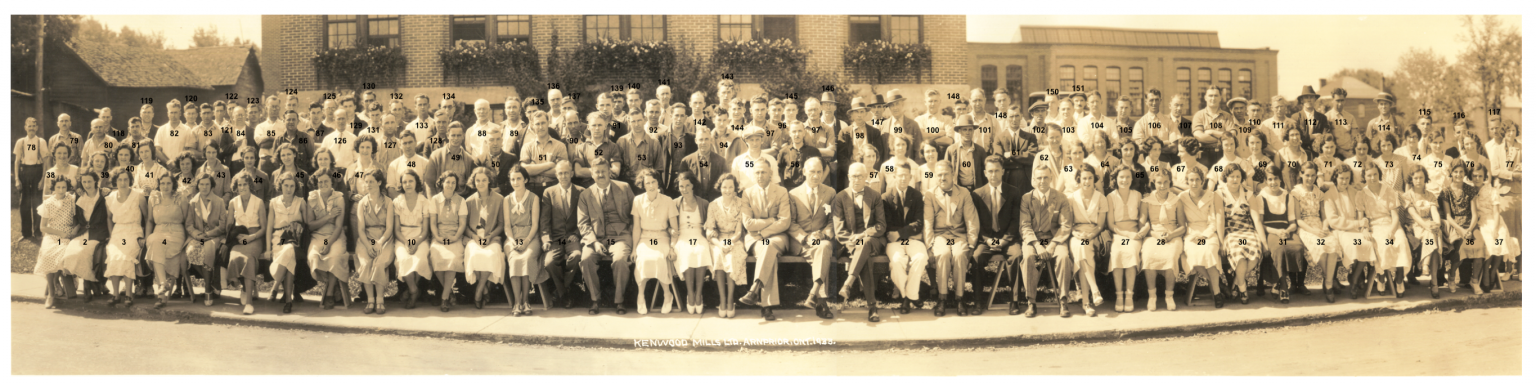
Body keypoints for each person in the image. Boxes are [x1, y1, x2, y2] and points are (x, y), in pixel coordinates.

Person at [576, 156, 635, 315]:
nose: (601, 175)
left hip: (620, 236)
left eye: (604, 171)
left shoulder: (624, 188)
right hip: (596, 238)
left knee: (620, 260)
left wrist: (631, 235)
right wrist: (594, 243)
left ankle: (619, 300)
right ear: (592, 174)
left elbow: (634, 215)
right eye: (597, 172)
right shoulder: (585, 195)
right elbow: (583, 223)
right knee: (586, 259)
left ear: (610, 172)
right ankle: (595, 299)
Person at [1016, 163, 1075, 317]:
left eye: (1046, 178)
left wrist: (1052, 245)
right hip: (1034, 239)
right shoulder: (1027, 198)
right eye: (1039, 178)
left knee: (1063, 257)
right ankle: (1031, 302)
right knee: (1028, 257)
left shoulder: (1061, 198)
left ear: (1051, 178)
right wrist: (1038, 246)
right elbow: (1025, 226)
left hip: (1054, 237)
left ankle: (1063, 300)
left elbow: (1065, 225)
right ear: (1034, 180)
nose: (1042, 181)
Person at [831, 162, 887, 322]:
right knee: (864, 256)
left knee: (865, 243)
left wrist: (863, 235)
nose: (856, 179)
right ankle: (872, 307)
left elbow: (881, 226)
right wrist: (852, 242)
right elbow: (839, 229)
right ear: (849, 177)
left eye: (860, 176)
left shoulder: (875, 196)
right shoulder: (840, 197)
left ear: (866, 178)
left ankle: (848, 282)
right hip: (850, 244)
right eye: (854, 176)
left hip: (873, 240)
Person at [735, 163, 792, 321]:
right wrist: (772, 220)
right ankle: (766, 306)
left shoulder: (781, 191)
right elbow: (748, 223)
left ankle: (755, 290)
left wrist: (763, 231)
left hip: (777, 237)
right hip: (755, 239)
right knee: (768, 252)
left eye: (763, 172)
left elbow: (785, 221)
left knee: (769, 248)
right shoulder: (747, 193)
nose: (760, 176)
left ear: (771, 173)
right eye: (757, 172)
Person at [971, 156, 1023, 314]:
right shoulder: (977, 194)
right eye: (990, 171)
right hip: (986, 240)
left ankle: (1014, 301)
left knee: (1016, 256)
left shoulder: (1013, 192)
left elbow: (1016, 221)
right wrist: (991, 242)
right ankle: (978, 301)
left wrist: (1004, 241)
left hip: (1008, 239)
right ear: (985, 173)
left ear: (1003, 172)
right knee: (977, 257)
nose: (993, 175)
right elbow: (976, 224)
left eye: (996, 171)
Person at [787, 158, 837, 318]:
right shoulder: (793, 194)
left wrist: (822, 234)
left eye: (819, 172)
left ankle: (815, 295)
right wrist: (806, 237)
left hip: (821, 240)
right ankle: (821, 301)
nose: (816, 176)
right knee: (824, 252)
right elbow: (791, 223)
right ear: (804, 172)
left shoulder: (830, 193)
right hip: (801, 242)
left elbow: (832, 221)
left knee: (823, 248)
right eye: (812, 172)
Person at [628, 168, 677, 315]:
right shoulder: (637, 200)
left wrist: (673, 248)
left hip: (662, 237)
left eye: (653, 182)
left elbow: (674, 229)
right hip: (645, 238)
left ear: (658, 182)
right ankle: (641, 295)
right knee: (642, 259)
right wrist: (634, 249)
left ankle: (667, 295)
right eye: (647, 183)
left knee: (658, 258)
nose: (651, 185)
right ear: (643, 184)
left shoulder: (668, 201)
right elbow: (636, 228)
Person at [1217, 166, 1267, 305]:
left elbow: (1256, 219)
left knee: (1254, 256)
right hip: (1231, 232)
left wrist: (1264, 242)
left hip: (1248, 231)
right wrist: (1221, 243)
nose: (1235, 179)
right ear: (1226, 177)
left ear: (1242, 178)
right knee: (1239, 255)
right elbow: (1220, 219)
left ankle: (1235, 283)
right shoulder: (1219, 193)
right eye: (1231, 176)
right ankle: (1243, 289)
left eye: (1238, 176)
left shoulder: (1248, 193)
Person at [1326, 166, 1374, 301]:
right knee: (1354, 245)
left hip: (1356, 229)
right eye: (1341, 178)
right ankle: (1354, 278)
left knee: (1368, 243)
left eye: (1347, 178)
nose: (1344, 181)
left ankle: (1354, 277)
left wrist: (1363, 228)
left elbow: (1361, 213)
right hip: (1340, 230)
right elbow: (1333, 221)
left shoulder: (1354, 192)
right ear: (1336, 178)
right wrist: (1357, 224)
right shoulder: (1329, 194)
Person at [540, 161, 584, 308]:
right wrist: (546, 239)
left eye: (566, 172)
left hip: (572, 237)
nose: (563, 176)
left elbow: (586, 218)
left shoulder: (581, 191)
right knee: (549, 262)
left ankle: (560, 292)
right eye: (560, 173)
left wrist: (577, 233)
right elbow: (545, 220)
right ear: (556, 175)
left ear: (571, 173)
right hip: (556, 238)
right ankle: (565, 292)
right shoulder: (549, 192)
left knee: (577, 255)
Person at [460, 166, 506, 309]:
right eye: (477, 180)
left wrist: (490, 236)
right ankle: (484, 288)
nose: (480, 183)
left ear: (489, 181)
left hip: (492, 237)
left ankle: (479, 290)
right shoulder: (468, 201)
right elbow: (465, 227)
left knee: (490, 254)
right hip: (474, 238)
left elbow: (501, 224)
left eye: (484, 180)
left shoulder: (499, 199)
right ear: (474, 182)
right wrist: (474, 237)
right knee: (475, 254)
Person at [1104, 165, 1148, 312]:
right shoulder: (1110, 197)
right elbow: (1111, 225)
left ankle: (1129, 295)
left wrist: (1142, 231)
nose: (1125, 180)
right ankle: (1119, 296)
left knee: (1130, 252)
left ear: (1132, 178)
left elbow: (1143, 219)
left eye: (1128, 177)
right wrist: (1127, 235)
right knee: (1116, 253)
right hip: (1118, 234)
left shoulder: (1138, 195)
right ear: (1116, 179)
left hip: (1135, 233)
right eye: (1121, 177)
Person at [1255, 165, 1301, 303]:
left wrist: (1287, 231)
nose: (1273, 182)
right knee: (1280, 248)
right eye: (1269, 179)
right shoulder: (1261, 197)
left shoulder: (1288, 196)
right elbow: (1260, 224)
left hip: (1286, 232)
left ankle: (1277, 282)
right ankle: (1284, 287)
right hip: (1270, 231)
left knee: (1297, 247)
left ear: (1280, 179)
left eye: (1275, 179)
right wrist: (1276, 231)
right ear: (1265, 181)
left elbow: (1293, 222)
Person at [1180, 167, 1224, 307]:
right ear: (1187, 181)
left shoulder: (1211, 195)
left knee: (1209, 251)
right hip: (1191, 233)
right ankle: (1219, 287)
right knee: (1194, 254)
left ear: (1202, 181)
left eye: (1197, 179)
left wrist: (1204, 236)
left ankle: (1217, 293)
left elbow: (1213, 221)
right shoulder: (1182, 197)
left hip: (1208, 232)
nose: (1194, 183)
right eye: (1191, 180)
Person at [704, 174, 747, 318]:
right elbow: (709, 229)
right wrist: (720, 244)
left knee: (732, 257)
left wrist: (729, 243)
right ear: (719, 188)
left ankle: (730, 300)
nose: (727, 190)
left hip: (735, 240)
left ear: (735, 188)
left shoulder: (741, 203)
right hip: (718, 240)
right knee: (718, 256)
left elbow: (739, 231)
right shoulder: (713, 205)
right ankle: (722, 299)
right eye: (724, 187)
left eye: (730, 187)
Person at [389, 168, 433, 311]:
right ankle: (414, 291)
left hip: (420, 238)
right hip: (402, 238)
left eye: (411, 181)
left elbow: (426, 230)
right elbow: (396, 230)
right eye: (405, 182)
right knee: (403, 258)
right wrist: (407, 242)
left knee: (420, 258)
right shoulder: (397, 201)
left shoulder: (424, 201)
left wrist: (415, 242)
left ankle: (411, 290)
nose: (408, 184)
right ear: (401, 184)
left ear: (416, 182)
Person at [502, 165, 543, 316]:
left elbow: (535, 225)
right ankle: (517, 303)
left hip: (530, 237)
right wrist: (513, 242)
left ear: (525, 179)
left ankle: (525, 301)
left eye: (519, 178)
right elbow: (507, 226)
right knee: (514, 259)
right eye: (512, 179)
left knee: (525, 258)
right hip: (513, 237)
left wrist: (525, 242)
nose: (515, 182)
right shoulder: (507, 200)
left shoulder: (533, 198)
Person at [103, 169, 147, 306]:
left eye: (125, 179)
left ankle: (128, 294)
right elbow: (109, 218)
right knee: (114, 256)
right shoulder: (110, 198)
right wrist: (111, 236)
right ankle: (115, 294)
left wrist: (145, 236)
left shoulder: (138, 196)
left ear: (130, 181)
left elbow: (147, 217)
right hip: (118, 232)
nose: (123, 183)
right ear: (115, 181)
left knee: (126, 256)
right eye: (120, 180)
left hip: (134, 231)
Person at [264, 171, 306, 314]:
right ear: (280, 186)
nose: (289, 189)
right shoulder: (273, 203)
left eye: (292, 186)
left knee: (289, 249)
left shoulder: (301, 202)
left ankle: (275, 285)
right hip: (278, 237)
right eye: (286, 186)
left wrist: (299, 227)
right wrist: (268, 249)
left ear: (296, 187)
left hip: (294, 238)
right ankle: (288, 301)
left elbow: (307, 225)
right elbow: (269, 227)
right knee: (289, 258)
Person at [145, 173, 189, 309]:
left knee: (157, 244)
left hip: (175, 234)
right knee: (155, 243)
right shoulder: (153, 198)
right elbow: (150, 220)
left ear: (173, 185)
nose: (165, 186)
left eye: (168, 183)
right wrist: (147, 238)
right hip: (158, 233)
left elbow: (187, 220)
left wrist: (187, 243)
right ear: (159, 184)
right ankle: (163, 288)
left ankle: (162, 292)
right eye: (163, 183)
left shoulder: (181, 198)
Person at [353, 169, 394, 314]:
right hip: (366, 239)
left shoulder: (388, 202)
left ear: (379, 182)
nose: (368, 185)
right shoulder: (362, 203)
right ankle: (370, 300)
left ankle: (380, 301)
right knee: (366, 263)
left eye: (371, 181)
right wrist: (369, 244)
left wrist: (380, 242)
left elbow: (389, 228)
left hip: (384, 239)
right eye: (366, 182)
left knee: (379, 262)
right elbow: (361, 229)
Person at [425, 170, 467, 311]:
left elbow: (462, 224)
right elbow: (432, 224)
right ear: (442, 183)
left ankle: (444, 298)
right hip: (439, 236)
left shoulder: (461, 201)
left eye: (453, 183)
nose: (450, 185)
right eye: (447, 182)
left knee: (453, 260)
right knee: (436, 259)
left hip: (455, 236)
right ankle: (449, 294)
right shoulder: (435, 200)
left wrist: (455, 237)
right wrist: (437, 237)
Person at [36, 177, 80, 309]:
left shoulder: (71, 201)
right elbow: (43, 227)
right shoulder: (48, 203)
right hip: (53, 234)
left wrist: (73, 231)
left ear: (67, 188)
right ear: (53, 188)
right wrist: (59, 233)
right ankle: (52, 293)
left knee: (61, 252)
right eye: (58, 187)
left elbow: (77, 220)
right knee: (48, 253)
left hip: (67, 234)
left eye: (64, 187)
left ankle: (54, 285)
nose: (61, 190)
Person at [1403, 168, 1444, 297]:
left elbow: (1434, 213)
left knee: (1433, 234)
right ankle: (1434, 282)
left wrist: (1436, 224)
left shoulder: (1430, 195)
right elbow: (1413, 215)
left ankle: (1425, 265)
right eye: (1415, 178)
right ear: (1411, 180)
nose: (1418, 181)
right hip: (1414, 227)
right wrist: (1428, 226)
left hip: (1429, 226)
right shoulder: (1407, 196)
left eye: (1421, 177)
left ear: (1425, 178)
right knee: (1432, 236)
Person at [1470, 164, 1508, 294]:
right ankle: (1486, 269)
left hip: (1495, 221)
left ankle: (1493, 270)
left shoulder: (1492, 191)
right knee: (1489, 243)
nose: (1477, 178)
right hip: (1481, 222)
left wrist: (1496, 229)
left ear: (1485, 177)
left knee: (1500, 241)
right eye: (1474, 175)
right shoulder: (1470, 191)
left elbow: (1496, 212)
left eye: (1480, 176)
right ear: (1471, 176)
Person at [16, 117, 49, 239]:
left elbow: (46, 161)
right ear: (25, 127)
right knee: (24, 203)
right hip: (24, 172)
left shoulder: (41, 141)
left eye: (33, 126)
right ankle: (26, 233)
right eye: (29, 126)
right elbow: (17, 161)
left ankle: (38, 232)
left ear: (37, 128)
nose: (31, 128)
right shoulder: (21, 142)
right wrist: (17, 179)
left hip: (37, 171)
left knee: (37, 202)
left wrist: (43, 178)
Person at [945, 115, 989, 191]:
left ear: (973, 131)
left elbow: (986, 171)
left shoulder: (980, 150)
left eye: (970, 130)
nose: (967, 133)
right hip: (958, 189)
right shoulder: (951, 150)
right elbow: (946, 170)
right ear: (959, 131)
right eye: (965, 130)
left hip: (976, 189)